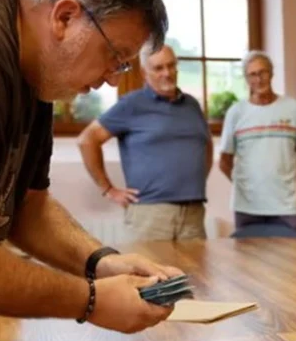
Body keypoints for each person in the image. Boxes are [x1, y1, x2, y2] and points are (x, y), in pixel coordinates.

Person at [0, 0, 181, 334]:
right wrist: (91, 301)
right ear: (65, 16)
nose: (112, 78)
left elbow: (26, 205)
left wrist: (101, 263)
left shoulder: (35, 56)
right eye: (115, 56)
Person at [78, 45, 213, 242]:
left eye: (171, 66)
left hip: (194, 212)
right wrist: (108, 189)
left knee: (196, 273)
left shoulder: (192, 105)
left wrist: (195, 179)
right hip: (150, 214)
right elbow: (87, 140)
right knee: (149, 273)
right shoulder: (131, 104)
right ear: (144, 73)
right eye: (158, 68)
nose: (167, 73)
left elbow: (206, 144)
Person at [219, 51, 296, 235]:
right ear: (246, 79)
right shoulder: (236, 112)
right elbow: (224, 161)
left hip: (287, 207)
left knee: (293, 261)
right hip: (247, 208)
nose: (258, 79)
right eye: (252, 74)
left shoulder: (294, 109)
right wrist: (245, 185)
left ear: (272, 73)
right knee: (247, 262)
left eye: (263, 72)